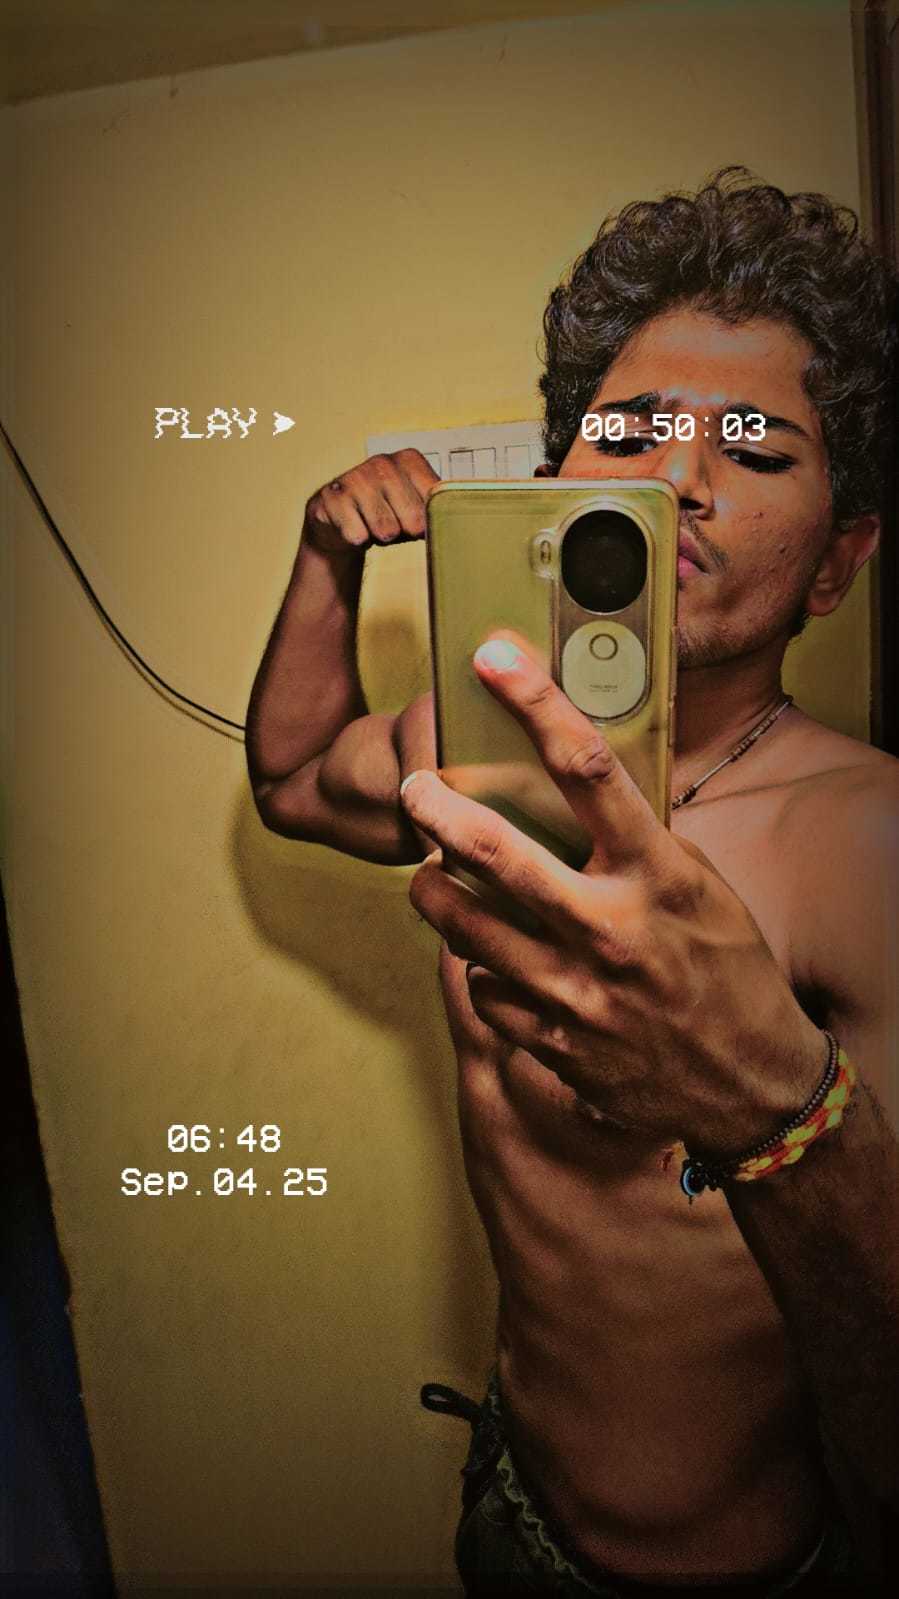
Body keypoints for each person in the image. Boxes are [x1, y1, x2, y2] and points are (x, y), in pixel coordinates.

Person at [246, 170, 899, 1592]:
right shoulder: (475, 755)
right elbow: (292, 780)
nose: (678, 476)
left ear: (837, 563)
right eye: (630, 430)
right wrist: (326, 557)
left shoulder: (868, 846)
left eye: (756, 447)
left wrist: (768, 1100)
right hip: (507, 1512)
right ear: (560, 491)